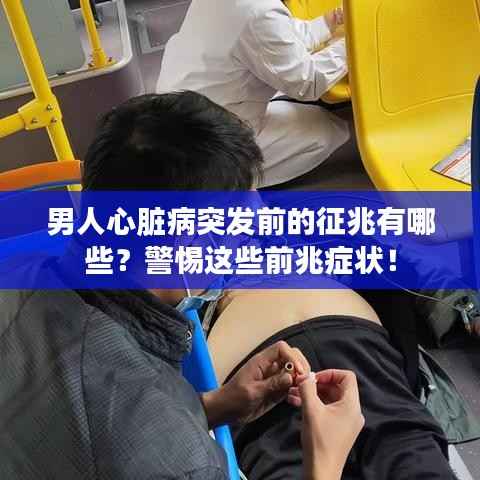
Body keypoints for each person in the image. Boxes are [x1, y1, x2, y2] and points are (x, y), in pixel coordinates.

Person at [0, 92, 362, 480]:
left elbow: (76, 432)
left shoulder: (16, 277)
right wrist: (324, 461)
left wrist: (209, 407)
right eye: (237, 234)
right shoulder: (188, 465)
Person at [156, 0, 349, 187]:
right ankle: (226, 183)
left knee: (289, 96)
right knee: (326, 132)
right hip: (209, 143)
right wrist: (352, 45)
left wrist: (327, 22)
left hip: (175, 109)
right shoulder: (258, 12)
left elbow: (275, 34)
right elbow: (308, 82)